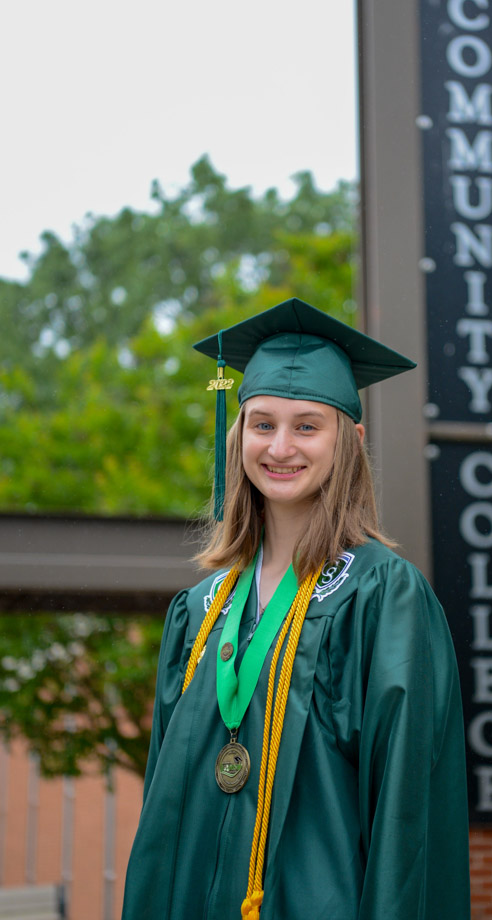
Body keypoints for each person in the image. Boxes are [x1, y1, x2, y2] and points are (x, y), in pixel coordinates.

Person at [121, 298, 470, 920]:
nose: (280, 447)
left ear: (350, 440)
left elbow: (406, 815)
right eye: (263, 424)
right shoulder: (199, 611)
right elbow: (163, 812)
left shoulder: (382, 597)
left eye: (307, 425)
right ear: (239, 434)